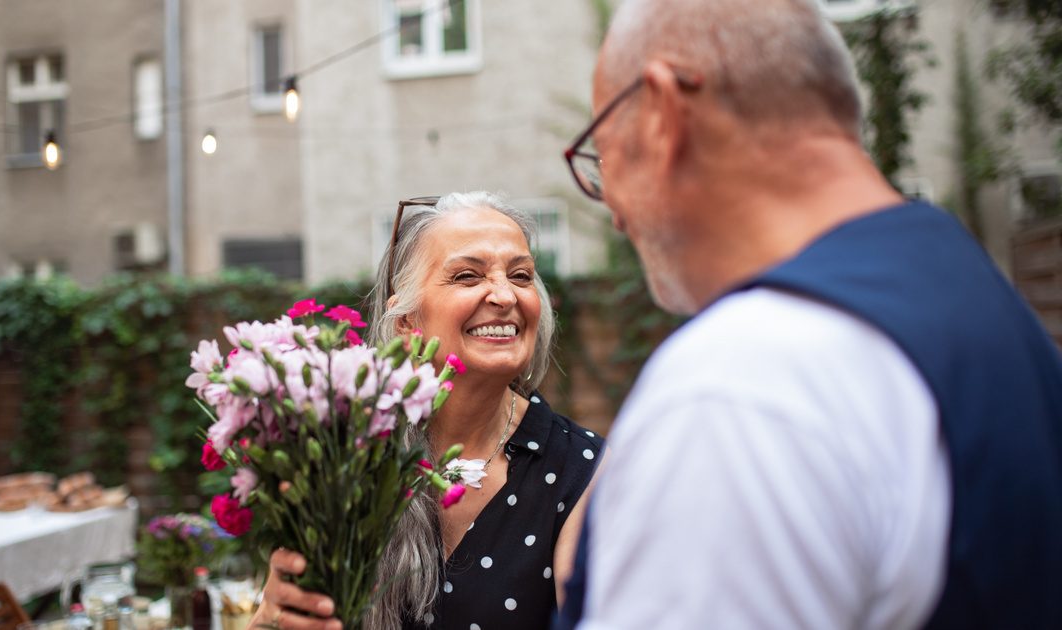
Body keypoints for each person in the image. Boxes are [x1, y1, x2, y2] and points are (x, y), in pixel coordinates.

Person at [556, 0, 1062, 628]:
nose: (613, 211)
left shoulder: (741, 384)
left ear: (662, 114)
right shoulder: (978, 293)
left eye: (603, 158)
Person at [250, 191, 604, 630]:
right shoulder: (346, 456)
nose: (504, 294)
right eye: (467, 276)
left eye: (521, 275)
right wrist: (269, 620)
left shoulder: (582, 472)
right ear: (406, 321)